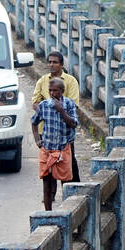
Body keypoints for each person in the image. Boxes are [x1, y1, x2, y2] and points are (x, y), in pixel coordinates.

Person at [32, 50, 80, 182]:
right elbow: (35, 102)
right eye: (50, 62)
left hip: (65, 131)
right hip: (46, 129)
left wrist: (59, 110)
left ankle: (74, 190)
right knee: (48, 163)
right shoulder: (43, 81)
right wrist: (46, 110)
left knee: (69, 161)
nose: (51, 65)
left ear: (62, 64)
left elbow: (73, 105)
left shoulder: (71, 81)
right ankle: (50, 195)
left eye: (55, 62)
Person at [31, 78, 77, 211]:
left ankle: (67, 212)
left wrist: (62, 111)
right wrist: (37, 140)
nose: (52, 93)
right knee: (47, 184)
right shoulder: (44, 105)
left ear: (62, 91)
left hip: (63, 149)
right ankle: (48, 213)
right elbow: (34, 122)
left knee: (66, 183)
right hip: (47, 150)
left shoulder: (69, 104)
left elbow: (74, 124)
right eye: (50, 90)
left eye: (55, 91)